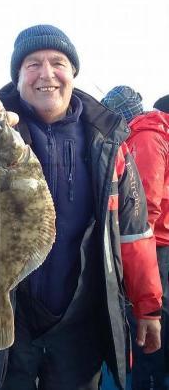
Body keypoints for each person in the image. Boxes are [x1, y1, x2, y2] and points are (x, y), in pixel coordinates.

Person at [0, 26, 163, 390]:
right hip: (4, 324)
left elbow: (134, 231)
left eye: (58, 62)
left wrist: (147, 306)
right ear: (17, 77)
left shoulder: (110, 141)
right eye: (32, 64)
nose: (46, 73)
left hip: (79, 324)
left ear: (73, 73)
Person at [101, 86, 169, 390]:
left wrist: (132, 253)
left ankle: (147, 379)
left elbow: (143, 207)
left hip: (156, 248)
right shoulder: (153, 131)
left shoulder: (144, 137)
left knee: (149, 321)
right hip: (159, 244)